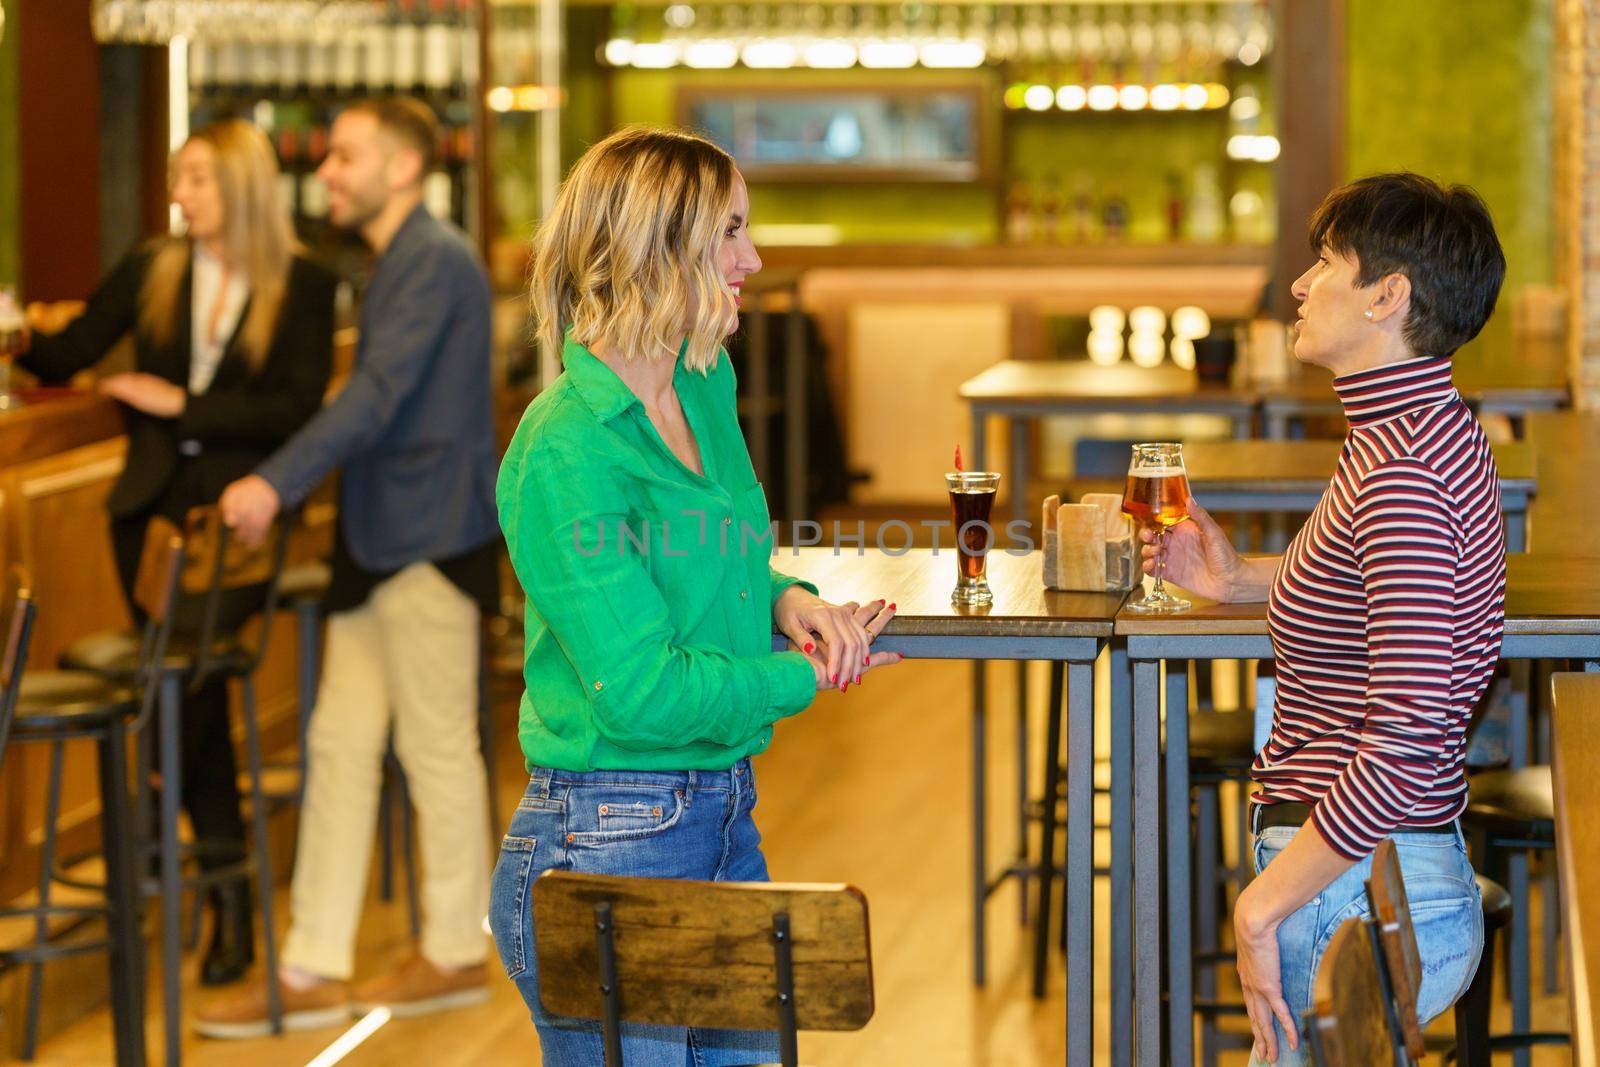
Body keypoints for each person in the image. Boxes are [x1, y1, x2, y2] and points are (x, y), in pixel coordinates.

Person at [491, 126, 903, 1064]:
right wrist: (801, 677)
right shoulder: (566, 448)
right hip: (605, 836)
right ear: (652, 248)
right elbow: (639, 692)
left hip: (717, 811)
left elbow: (713, 557)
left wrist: (784, 598)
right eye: (728, 232)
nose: (752, 257)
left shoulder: (703, 384)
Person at [1144, 172, 1508, 1065]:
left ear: (1390, 296)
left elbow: (1409, 736)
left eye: (1326, 263)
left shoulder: (1402, 472)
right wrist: (1237, 580)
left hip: (1357, 889)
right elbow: (1370, 595)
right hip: (1364, 876)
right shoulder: (1412, 432)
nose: (1301, 286)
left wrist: (1259, 903)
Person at [194, 96, 501, 1037]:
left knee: (437, 748)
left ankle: (455, 948)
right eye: (327, 158)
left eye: (346, 156)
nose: (326, 171)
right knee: (338, 745)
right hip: (379, 543)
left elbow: (374, 396)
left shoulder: (434, 259)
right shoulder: (399, 259)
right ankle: (311, 963)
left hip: (431, 537)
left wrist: (272, 483)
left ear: (403, 167)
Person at [16, 118, 335, 987]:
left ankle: (215, 891)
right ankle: (214, 890)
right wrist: (14, 331)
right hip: (147, 520)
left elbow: (294, 410)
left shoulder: (302, 281)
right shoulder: (154, 266)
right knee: (174, 690)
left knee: (183, 693)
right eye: (177, 178)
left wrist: (177, 402)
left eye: (194, 177)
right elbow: (70, 350)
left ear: (237, 184)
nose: (179, 195)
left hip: (237, 531)